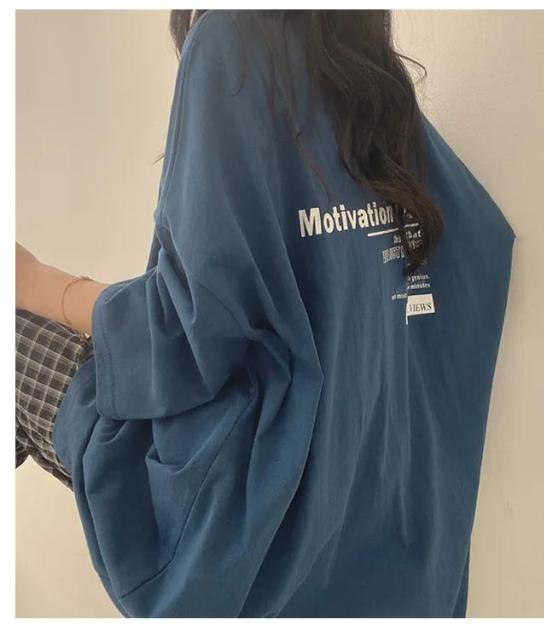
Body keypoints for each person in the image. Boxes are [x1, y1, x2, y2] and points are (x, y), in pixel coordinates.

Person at [15, 9, 515, 618]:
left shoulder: (233, 41)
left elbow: (187, 333)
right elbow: (479, 246)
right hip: (394, 549)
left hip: (251, 535)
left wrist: (37, 282)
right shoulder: (363, 66)